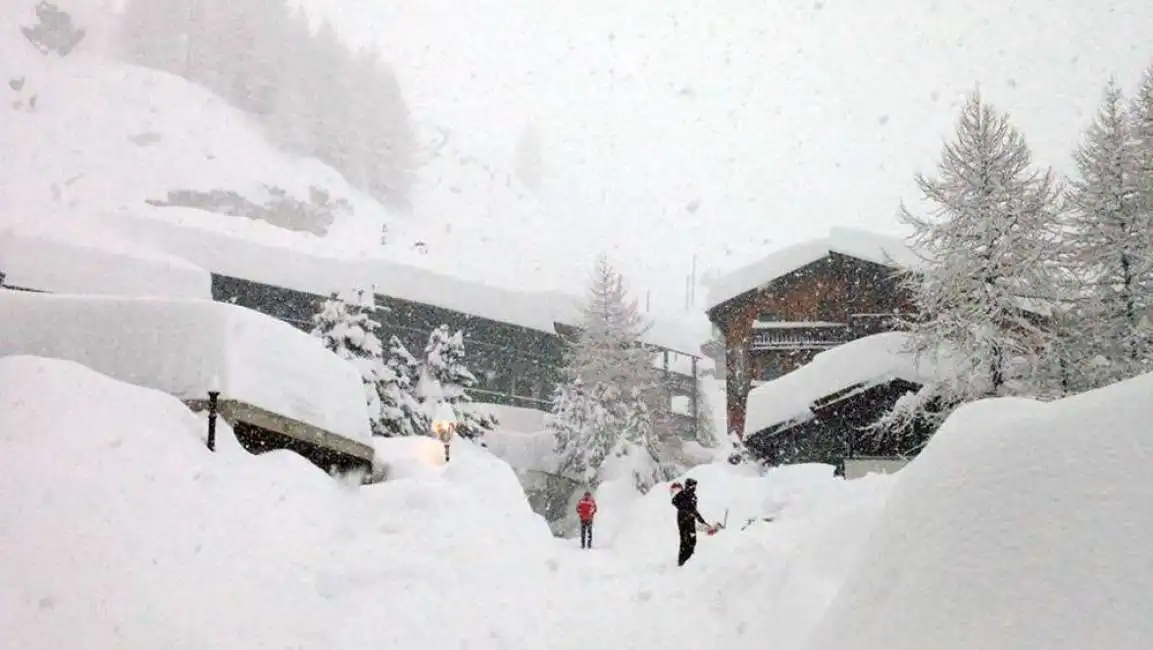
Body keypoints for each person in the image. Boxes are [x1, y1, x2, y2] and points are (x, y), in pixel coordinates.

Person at [671, 477, 712, 566]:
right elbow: (674, 502)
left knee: (693, 540)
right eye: (693, 486)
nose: (694, 488)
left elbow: (694, 510)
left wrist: (701, 520)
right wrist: (684, 509)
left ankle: (689, 560)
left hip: (691, 522)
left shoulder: (693, 497)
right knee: (684, 541)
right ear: (688, 486)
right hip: (683, 521)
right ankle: (682, 562)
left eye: (695, 487)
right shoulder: (681, 495)